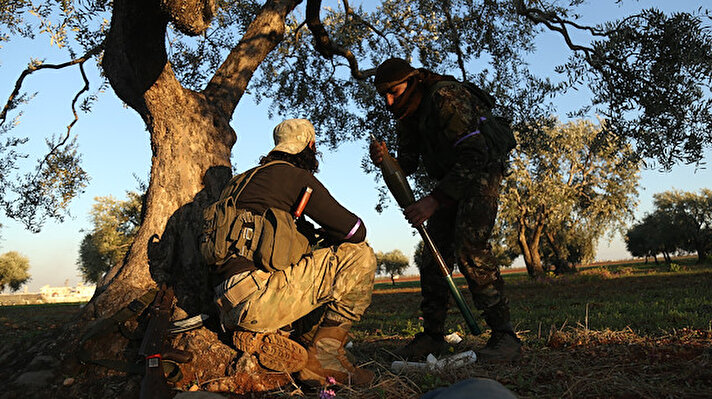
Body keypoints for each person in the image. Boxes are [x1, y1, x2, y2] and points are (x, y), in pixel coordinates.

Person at [370, 58, 521, 362]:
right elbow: (409, 164)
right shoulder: (407, 114)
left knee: (470, 249)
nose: (389, 101)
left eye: (394, 92)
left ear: (412, 82)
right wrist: (385, 160)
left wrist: (433, 200)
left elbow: (475, 153)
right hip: (452, 179)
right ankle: (433, 336)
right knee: (432, 255)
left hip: (481, 172)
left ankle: (505, 336)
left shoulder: (444, 96)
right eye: (383, 95)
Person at [211, 118, 377, 386]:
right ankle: (325, 359)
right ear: (310, 146)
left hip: (225, 304)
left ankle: (278, 337)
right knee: (359, 255)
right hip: (259, 298)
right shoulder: (296, 177)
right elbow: (355, 231)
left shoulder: (239, 181)